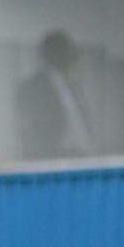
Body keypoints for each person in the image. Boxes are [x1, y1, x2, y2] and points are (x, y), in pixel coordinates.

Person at [17, 30, 94, 161]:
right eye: (65, 49)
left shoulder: (73, 85)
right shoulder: (32, 87)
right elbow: (28, 129)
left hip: (80, 157)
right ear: (51, 52)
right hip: (52, 159)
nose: (71, 55)